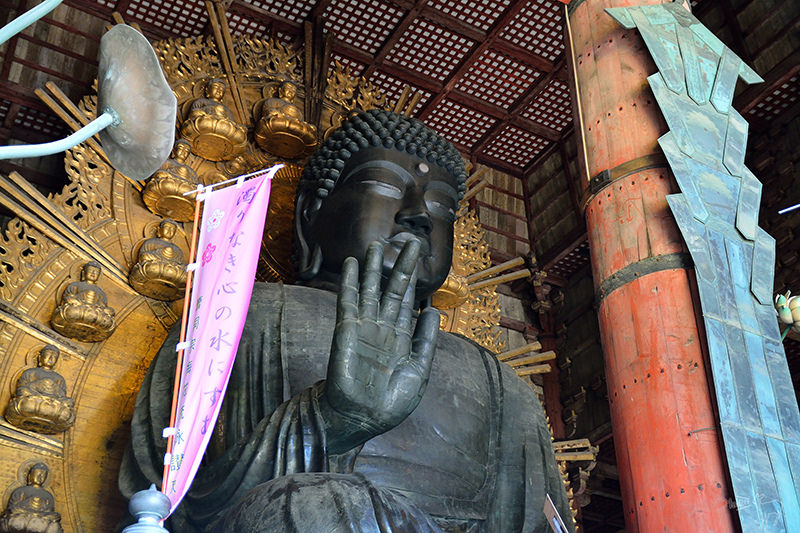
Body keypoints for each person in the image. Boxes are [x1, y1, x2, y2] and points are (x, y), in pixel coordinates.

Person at [119, 109, 573, 532]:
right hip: (300, 517)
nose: (417, 217)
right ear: (309, 216)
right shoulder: (243, 314)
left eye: (441, 208)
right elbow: (166, 499)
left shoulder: (500, 383)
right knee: (317, 505)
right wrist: (328, 419)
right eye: (386, 187)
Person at [4, 345, 75, 434]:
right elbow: (21, 389)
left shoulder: (59, 378)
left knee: (69, 401)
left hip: (51, 403)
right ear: (40, 357)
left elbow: (62, 396)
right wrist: (37, 385)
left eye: (54, 357)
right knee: (23, 392)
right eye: (48, 354)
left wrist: (52, 386)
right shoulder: (30, 372)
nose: (51, 358)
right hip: (33, 400)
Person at [0, 463, 63, 533]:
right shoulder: (20, 491)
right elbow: (12, 509)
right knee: (14, 519)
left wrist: (42, 508)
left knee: (54, 520)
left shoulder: (48, 495)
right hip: (22, 518)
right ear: (30, 476)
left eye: (43, 475)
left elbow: (50, 512)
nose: (40, 477)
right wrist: (28, 503)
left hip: (41, 520)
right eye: (37, 474)